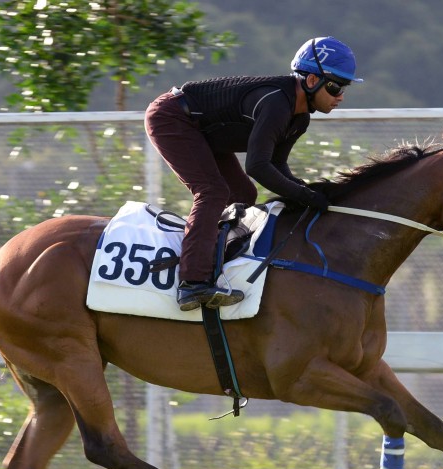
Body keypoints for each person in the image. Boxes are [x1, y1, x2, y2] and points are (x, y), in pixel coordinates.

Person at [144, 36, 363, 312]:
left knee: (243, 195)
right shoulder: (277, 103)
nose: (341, 95)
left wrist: (308, 192)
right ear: (310, 81)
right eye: (335, 86)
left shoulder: (300, 118)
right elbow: (257, 166)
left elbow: (277, 165)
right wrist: (305, 195)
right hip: (172, 117)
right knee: (212, 192)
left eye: (344, 88)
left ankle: (216, 264)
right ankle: (192, 282)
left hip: (204, 130)